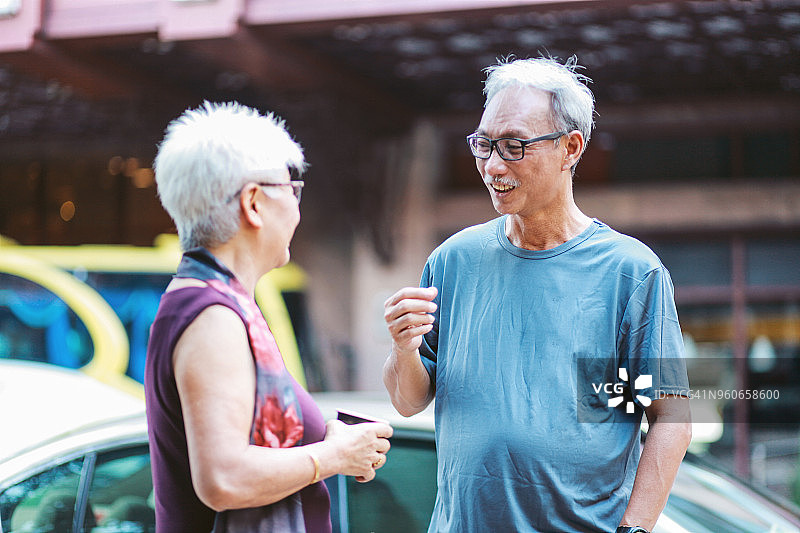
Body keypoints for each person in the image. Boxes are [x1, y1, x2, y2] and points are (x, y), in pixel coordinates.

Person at [383, 57, 691, 533]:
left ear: (571, 147)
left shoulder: (631, 274)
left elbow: (670, 416)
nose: (492, 165)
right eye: (483, 144)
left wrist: (635, 529)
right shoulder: (451, 261)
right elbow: (408, 402)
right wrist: (403, 348)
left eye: (513, 146)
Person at [145, 101, 392, 533]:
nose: (298, 208)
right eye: (292, 189)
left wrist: (332, 441)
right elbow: (224, 479)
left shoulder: (212, 301)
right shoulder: (212, 315)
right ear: (254, 203)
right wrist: (333, 456)